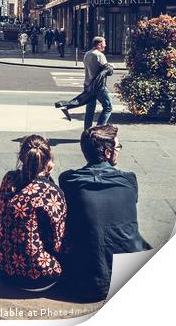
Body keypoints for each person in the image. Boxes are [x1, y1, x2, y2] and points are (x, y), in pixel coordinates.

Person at [59, 125, 151, 302]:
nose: (119, 151)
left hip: (83, 284)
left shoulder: (68, 180)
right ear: (108, 153)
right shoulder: (129, 179)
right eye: (118, 147)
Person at [0, 135, 67, 291]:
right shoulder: (52, 193)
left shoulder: (9, 178)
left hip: (0, 264)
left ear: (22, 158)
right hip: (38, 277)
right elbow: (58, 243)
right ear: (49, 162)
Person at [82, 36, 113, 129]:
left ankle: (87, 131)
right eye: (104, 43)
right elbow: (108, 71)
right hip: (99, 86)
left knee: (90, 109)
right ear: (99, 45)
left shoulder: (87, 54)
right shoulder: (99, 55)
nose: (105, 45)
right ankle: (99, 129)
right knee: (108, 107)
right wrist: (111, 67)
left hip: (88, 85)